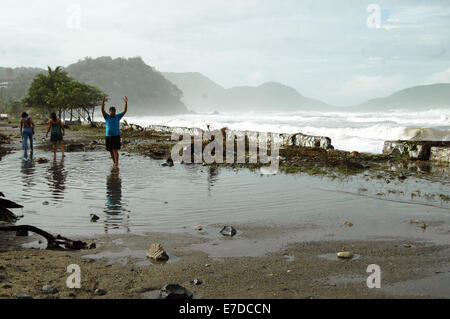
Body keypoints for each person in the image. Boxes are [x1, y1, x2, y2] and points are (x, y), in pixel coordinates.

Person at [101, 95, 128, 166]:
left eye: (114, 111)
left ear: (115, 112)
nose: (112, 112)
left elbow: (124, 111)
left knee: (115, 150)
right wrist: (103, 102)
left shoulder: (117, 116)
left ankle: (116, 164)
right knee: (110, 151)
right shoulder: (107, 117)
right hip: (108, 136)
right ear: (109, 112)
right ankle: (114, 163)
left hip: (116, 135)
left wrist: (125, 103)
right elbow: (102, 110)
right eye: (111, 111)